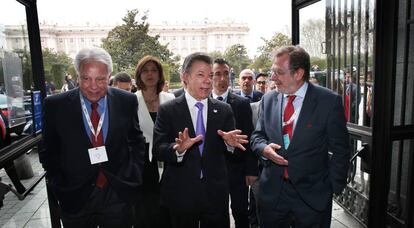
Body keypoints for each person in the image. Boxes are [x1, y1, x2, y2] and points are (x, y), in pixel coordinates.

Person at [40, 47, 146, 227]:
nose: (94, 86)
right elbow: (49, 150)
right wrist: (60, 184)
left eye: (100, 79)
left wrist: (133, 173)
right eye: (86, 79)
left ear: (109, 76)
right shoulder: (55, 105)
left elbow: (136, 140)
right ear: (77, 75)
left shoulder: (126, 100)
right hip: (75, 194)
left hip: (116, 192)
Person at [250, 46, 350, 228]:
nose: (272, 78)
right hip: (273, 194)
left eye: (279, 72)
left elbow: (341, 150)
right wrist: (264, 149)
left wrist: (332, 188)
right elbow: (257, 136)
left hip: (312, 198)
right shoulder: (269, 99)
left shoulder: (328, 101)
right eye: (273, 71)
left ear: (298, 73)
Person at [153, 52, 248, 228]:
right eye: (200, 75)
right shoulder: (168, 110)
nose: (207, 81)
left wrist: (229, 145)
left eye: (210, 75)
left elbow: (233, 154)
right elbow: (158, 149)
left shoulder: (224, 110)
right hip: (180, 194)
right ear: (185, 77)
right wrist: (178, 149)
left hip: (215, 196)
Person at [211, 58, 257, 228]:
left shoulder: (242, 103)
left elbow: (250, 137)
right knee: (216, 213)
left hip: (237, 169)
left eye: (225, 74)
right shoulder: (203, 102)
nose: (222, 78)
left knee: (240, 211)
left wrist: (251, 170)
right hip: (212, 172)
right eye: (217, 74)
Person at [134, 55, 175, 228]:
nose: (150, 74)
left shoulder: (170, 99)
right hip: (142, 163)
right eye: (145, 70)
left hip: (168, 160)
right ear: (139, 74)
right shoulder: (131, 100)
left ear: (159, 74)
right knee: (146, 211)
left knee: (167, 208)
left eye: (154, 70)